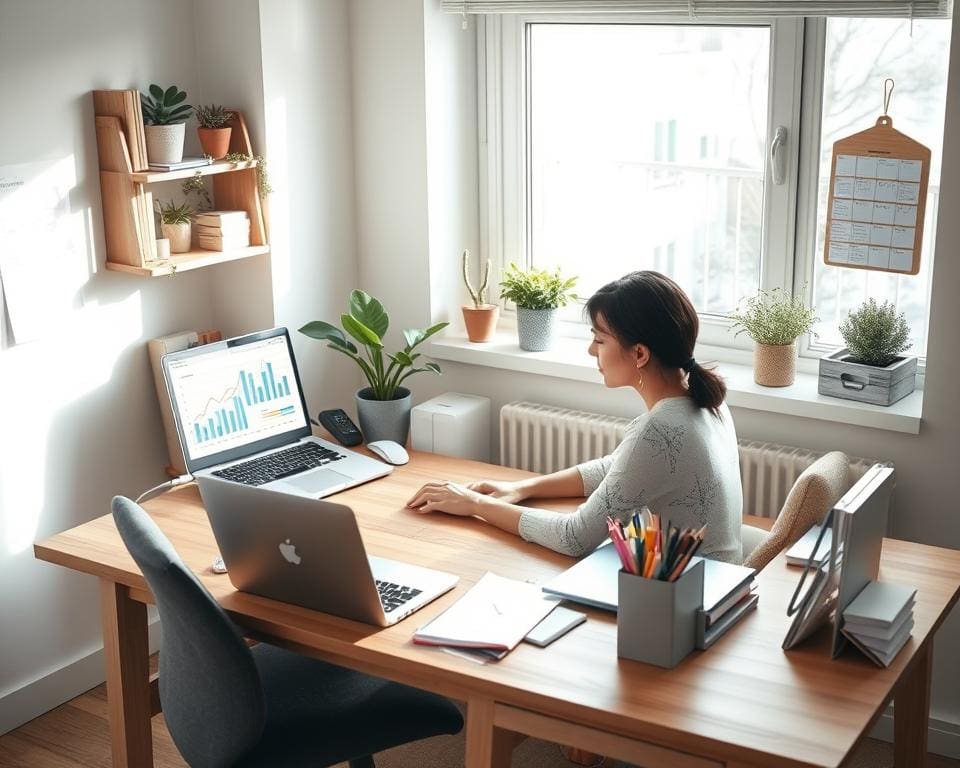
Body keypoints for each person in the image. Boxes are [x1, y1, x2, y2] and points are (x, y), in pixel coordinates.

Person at [406, 271, 743, 564]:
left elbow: (574, 538)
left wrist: (473, 503)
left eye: (599, 339)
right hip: (713, 583)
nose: (591, 350)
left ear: (639, 353)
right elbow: (618, 468)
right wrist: (520, 488)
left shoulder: (661, 429)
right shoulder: (706, 398)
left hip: (685, 599)